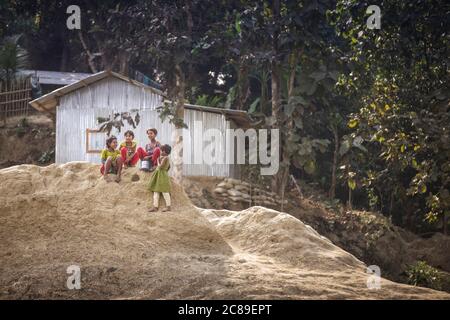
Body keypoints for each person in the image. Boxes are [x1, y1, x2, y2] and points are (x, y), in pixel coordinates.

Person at [148, 144, 171, 212]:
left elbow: (161, 166)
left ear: (165, 151)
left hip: (162, 176)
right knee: (156, 191)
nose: (161, 152)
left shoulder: (166, 158)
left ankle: (168, 206)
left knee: (165, 191)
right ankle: (155, 206)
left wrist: (158, 160)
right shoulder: (163, 157)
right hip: (159, 176)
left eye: (162, 150)